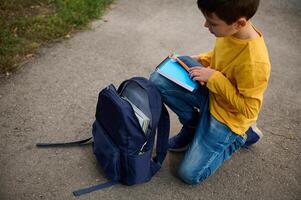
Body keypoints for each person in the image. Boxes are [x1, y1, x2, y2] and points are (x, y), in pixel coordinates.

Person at [150, 0, 270, 184]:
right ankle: (193, 126)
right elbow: (221, 56)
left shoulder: (255, 63)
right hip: (212, 92)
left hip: (228, 117)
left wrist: (215, 78)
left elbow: (249, 109)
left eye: (212, 23)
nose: (206, 25)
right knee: (159, 79)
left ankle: (242, 136)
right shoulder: (232, 30)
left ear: (239, 23)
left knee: (189, 174)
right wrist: (201, 59)